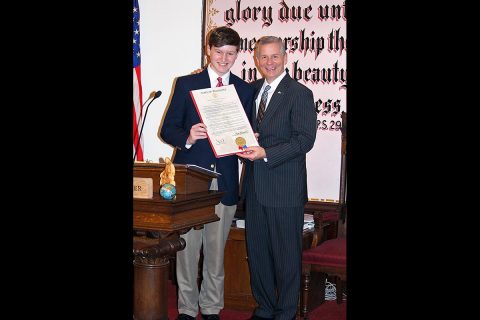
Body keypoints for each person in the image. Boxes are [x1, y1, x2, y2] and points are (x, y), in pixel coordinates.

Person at [160, 26, 254, 320]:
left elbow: (246, 134)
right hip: (191, 182)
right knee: (187, 250)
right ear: (208, 50)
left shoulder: (245, 89)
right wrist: (188, 136)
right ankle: (187, 309)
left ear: (237, 54)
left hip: (224, 180)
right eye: (219, 52)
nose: (225, 59)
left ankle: (212, 307)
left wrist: (246, 143)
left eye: (231, 53)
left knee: (216, 251)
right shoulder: (187, 83)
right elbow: (167, 130)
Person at [237, 36, 317, 320]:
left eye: (274, 56)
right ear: (255, 60)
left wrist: (265, 153)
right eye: (263, 57)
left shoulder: (299, 93)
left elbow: (304, 140)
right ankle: (264, 307)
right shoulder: (250, 91)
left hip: (285, 189)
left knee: (286, 258)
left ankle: (285, 312)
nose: (269, 62)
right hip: (254, 188)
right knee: (257, 254)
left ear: (285, 58)